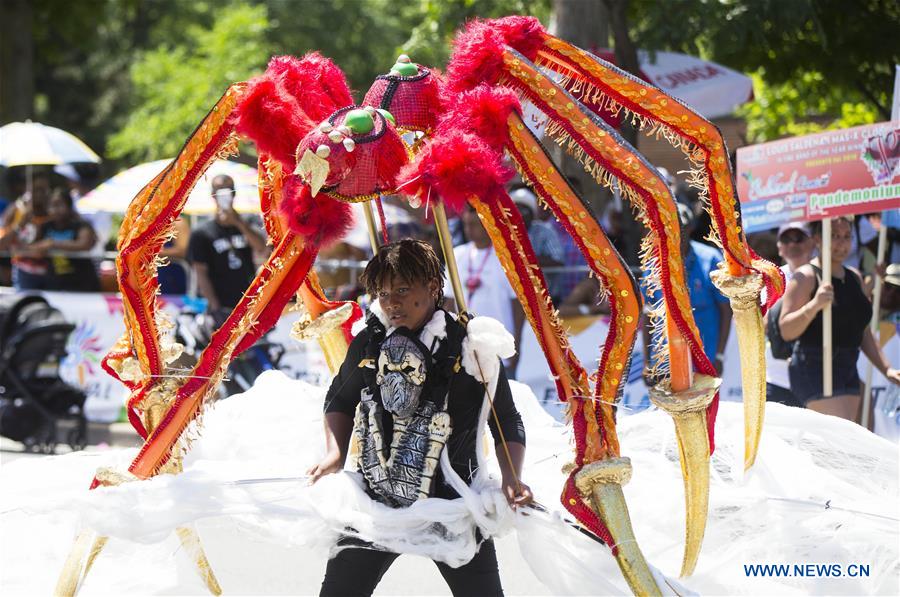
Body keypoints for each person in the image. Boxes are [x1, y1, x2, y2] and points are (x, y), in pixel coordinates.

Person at [308, 239, 532, 597]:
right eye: (382, 294)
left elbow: (505, 419)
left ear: (432, 287)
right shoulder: (368, 343)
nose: (392, 302)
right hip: (377, 503)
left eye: (401, 289)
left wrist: (511, 476)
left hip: (454, 504)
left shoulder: (473, 347)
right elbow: (339, 399)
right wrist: (334, 454)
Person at [779, 217, 900, 421]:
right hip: (815, 367)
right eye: (834, 236)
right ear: (817, 238)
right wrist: (814, 305)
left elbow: (862, 330)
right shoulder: (805, 277)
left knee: (854, 439)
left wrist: (887, 369)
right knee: (840, 441)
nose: (841, 243)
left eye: (846, 236)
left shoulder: (854, 277)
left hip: (848, 367)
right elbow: (786, 330)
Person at [642, 203, 732, 382]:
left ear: (690, 227)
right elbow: (648, 313)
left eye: (680, 227)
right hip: (666, 360)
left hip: (704, 356)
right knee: (667, 409)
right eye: (670, 227)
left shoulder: (711, 258)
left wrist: (719, 355)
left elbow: (725, 310)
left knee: (704, 407)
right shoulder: (653, 263)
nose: (675, 232)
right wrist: (647, 361)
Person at [448, 203, 525, 377]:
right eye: (467, 224)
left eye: (474, 225)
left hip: (499, 345)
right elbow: (448, 300)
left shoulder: (506, 257)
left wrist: (517, 341)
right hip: (465, 345)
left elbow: (517, 305)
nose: (469, 230)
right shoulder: (457, 255)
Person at [187, 175, 268, 321]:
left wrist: (238, 223)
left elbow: (261, 247)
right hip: (220, 303)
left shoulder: (246, 223)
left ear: (234, 193)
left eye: (228, 190)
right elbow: (200, 272)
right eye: (219, 192)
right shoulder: (202, 232)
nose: (224, 195)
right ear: (213, 195)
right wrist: (215, 306)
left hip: (248, 300)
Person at [765, 222, 814, 408]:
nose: (793, 244)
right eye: (786, 239)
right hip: (776, 377)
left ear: (812, 243)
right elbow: (762, 322)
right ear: (779, 248)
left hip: (814, 377)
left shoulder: (824, 276)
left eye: (799, 238)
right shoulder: (770, 279)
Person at [22, 188, 100, 292]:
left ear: (69, 206)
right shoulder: (45, 226)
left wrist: (52, 244)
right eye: (51, 205)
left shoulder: (81, 225)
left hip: (82, 283)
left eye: (59, 205)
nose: (55, 210)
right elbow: (31, 247)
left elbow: (84, 244)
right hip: (55, 283)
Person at [0, 173, 52, 290]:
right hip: (22, 272)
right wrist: (20, 224)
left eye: (45, 189)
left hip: (50, 273)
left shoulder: (53, 211)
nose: (42, 194)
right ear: (27, 189)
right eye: (37, 189)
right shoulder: (15, 210)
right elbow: (2, 244)